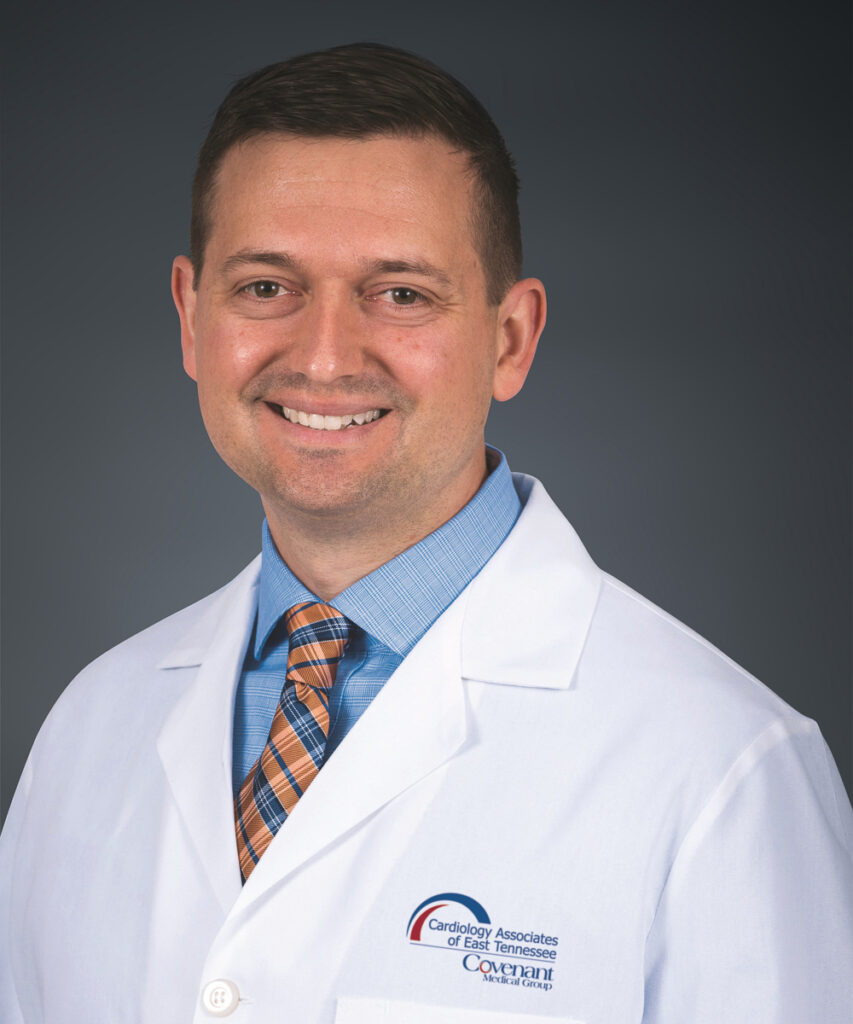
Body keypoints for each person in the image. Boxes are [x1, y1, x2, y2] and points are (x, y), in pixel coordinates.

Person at [1, 42, 850, 1024]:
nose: (323, 356)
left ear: (509, 339)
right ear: (193, 319)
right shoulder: (88, 729)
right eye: (266, 286)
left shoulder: (721, 768)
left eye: (400, 292)